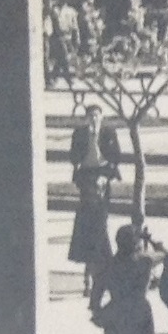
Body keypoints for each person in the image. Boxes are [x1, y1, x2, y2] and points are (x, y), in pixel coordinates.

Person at [65, 109, 122, 293]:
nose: (94, 120)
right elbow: (74, 156)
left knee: (101, 224)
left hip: (102, 174)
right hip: (87, 176)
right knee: (88, 225)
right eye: (90, 117)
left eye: (97, 116)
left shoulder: (108, 132)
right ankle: (91, 274)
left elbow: (115, 156)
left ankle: (102, 271)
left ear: (102, 117)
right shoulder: (80, 134)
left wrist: (106, 177)